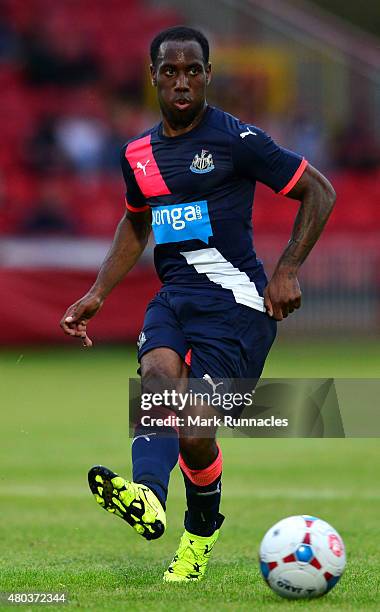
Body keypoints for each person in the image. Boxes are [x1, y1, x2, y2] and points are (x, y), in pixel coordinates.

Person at [60, 26, 336, 582]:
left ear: (208, 76)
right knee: (156, 375)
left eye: (192, 70)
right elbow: (136, 224)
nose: (181, 81)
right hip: (174, 299)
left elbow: (320, 191)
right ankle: (148, 497)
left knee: (193, 430)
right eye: (170, 70)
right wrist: (97, 292)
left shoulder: (236, 140)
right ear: (153, 77)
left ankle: (199, 537)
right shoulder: (137, 154)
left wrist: (286, 270)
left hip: (238, 309)